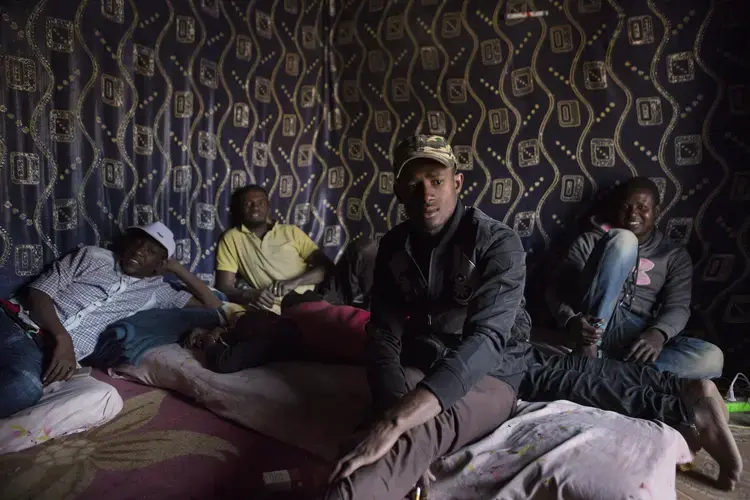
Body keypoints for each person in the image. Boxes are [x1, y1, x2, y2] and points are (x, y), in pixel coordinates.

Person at [322, 135, 742, 499]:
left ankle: (690, 398)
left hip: (498, 359)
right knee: (568, 373)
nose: (426, 194)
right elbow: (383, 335)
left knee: (560, 373)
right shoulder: (394, 247)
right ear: (397, 191)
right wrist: (391, 408)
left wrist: (400, 419)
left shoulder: (495, 241)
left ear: (457, 183)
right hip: (493, 353)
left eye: (436, 181)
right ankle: (685, 399)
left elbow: (485, 340)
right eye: (413, 185)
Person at [0, 222, 223, 418]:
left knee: (31, 388)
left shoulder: (159, 291)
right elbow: (38, 292)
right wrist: (62, 337)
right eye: (137, 243)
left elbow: (213, 304)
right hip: (16, 323)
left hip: (43, 356)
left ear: (160, 264)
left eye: (150, 251)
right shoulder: (92, 256)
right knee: (25, 387)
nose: (138, 250)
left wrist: (177, 268)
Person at [546, 177, 723, 379]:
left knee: (711, 359)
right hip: (591, 327)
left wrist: (658, 334)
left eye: (642, 207)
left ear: (657, 212)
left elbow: (678, 307)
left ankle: (603, 370)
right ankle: (591, 352)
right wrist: (571, 320)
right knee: (623, 239)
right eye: (625, 207)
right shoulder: (590, 241)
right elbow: (558, 288)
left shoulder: (674, 255)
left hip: (635, 337)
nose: (633, 214)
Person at [215, 185, 333, 314]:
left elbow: (326, 268)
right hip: (278, 308)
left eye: (260, 202)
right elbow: (224, 287)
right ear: (240, 209)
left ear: (268, 207)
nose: (255, 207)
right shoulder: (231, 238)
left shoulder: (291, 231)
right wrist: (250, 295)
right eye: (248, 203)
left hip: (319, 296)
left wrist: (293, 282)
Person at [185, 290, 368, 373]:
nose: (237, 319)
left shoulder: (290, 313)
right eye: (236, 323)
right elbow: (225, 361)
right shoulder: (281, 334)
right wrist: (217, 336)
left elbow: (224, 360)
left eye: (239, 318)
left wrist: (212, 337)